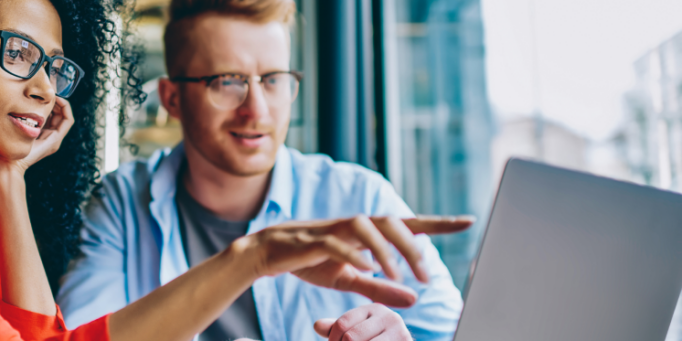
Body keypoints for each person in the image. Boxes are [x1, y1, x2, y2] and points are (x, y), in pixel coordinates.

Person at [0, 0, 468, 339]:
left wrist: (9, 181)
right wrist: (251, 258)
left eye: (55, 67)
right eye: (17, 54)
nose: (44, 89)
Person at [56, 0, 469, 340]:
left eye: (273, 80)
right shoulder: (121, 204)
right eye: (227, 82)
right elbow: (79, 335)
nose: (257, 109)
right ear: (172, 97)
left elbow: (460, 333)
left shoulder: (360, 198)